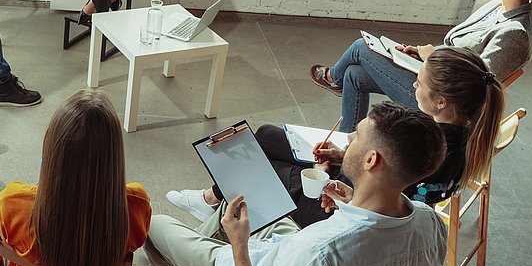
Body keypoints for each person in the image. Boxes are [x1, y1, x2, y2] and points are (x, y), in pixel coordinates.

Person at [129, 103, 448, 266]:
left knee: (154, 224)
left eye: (356, 136)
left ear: (370, 160)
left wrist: (239, 247)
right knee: (253, 199)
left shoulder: (318, 253)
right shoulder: (431, 226)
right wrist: (353, 202)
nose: (347, 138)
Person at [168, 46, 504, 228]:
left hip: (339, 210)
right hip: (356, 189)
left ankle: (215, 202)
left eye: (420, 84)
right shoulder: (460, 136)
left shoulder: (427, 142)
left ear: (442, 102)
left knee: (262, 162)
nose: (413, 85)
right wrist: (344, 157)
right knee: (267, 136)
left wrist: (336, 173)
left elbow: (375, 195)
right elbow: (388, 174)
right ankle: (215, 198)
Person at [310, 0, 532, 132]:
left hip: (445, 105)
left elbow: (472, 87)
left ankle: (333, 78)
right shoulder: (496, 5)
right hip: (433, 77)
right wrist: (422, 52)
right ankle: (347, 142)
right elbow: (459, 50)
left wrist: (431, 60)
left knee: (361, 47)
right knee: (354, 74)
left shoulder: (516, 35)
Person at [0, 89, 151, 266]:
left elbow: (6, 233)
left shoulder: (12, 202)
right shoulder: (137, 204)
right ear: (114, 154)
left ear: (51, 149)